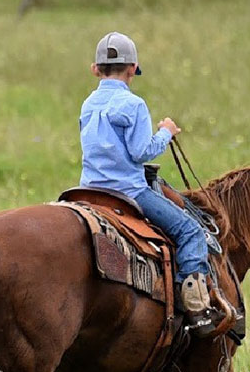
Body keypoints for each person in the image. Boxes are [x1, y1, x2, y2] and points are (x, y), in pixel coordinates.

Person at [79, 31, 222, 337]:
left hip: (89, 189)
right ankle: (196, 308)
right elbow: (141, 152)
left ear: (95, 69)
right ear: (133, 69)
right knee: (190, 230)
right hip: (127, 191)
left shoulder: (88, 103)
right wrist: (166, 132)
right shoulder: (134, 104)